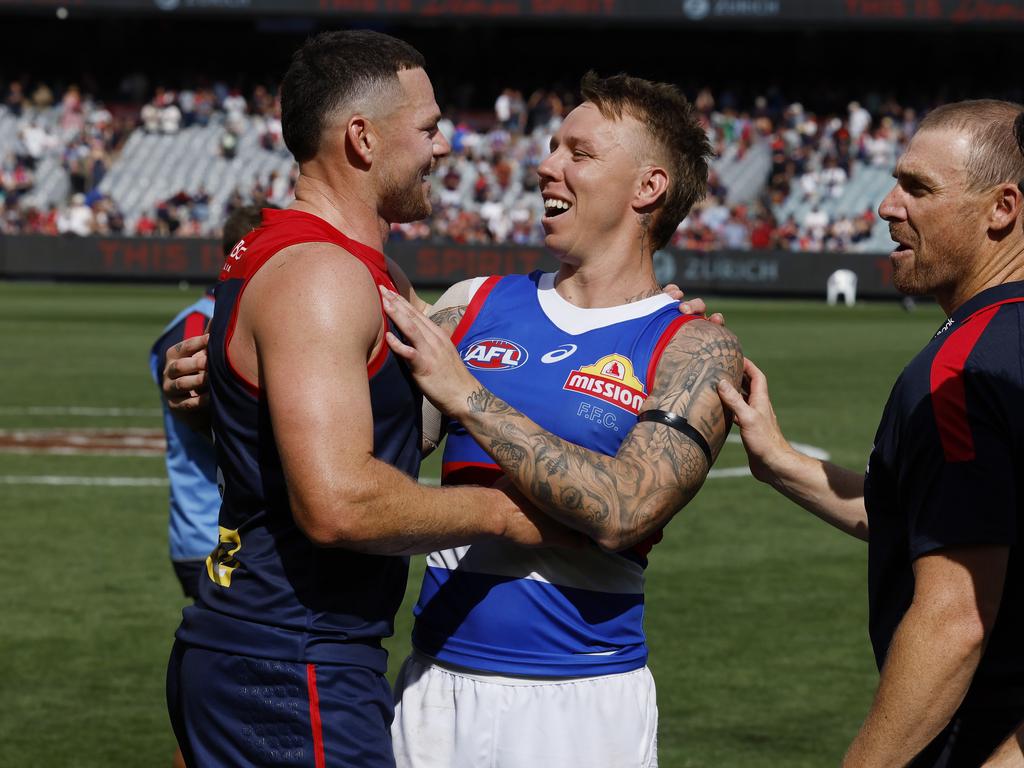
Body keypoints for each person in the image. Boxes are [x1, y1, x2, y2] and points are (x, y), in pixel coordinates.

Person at [164, 30, 572, 768]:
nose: (443, 147)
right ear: (362, 137)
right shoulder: (320, 275)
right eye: (428, 128)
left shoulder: (355, 271)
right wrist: (507, 514)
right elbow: (340, 502)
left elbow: (395, 432)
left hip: (277, 654)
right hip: (288, 665)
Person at [379, 72, 743, 768]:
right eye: (552, 146)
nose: (547, 165)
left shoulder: (695, 347)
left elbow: (625, 509)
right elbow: (370, 454)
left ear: (648, 188)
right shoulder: (471, 302)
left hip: (579, 705)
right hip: (434, 688)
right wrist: (218, 395)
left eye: (579, 152)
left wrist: (469, 397)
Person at [716, 100, 1024, 767]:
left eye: (918, 188)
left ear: (1001, 209)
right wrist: (781, 463)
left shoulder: (962, 370)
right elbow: (949, 522)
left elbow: (956, 616)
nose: (886, 206)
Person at [149, 204, 265, 768]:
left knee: (235, 706)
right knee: (224, 712)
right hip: (216, 537)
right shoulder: (206, 327)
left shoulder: (201, 320)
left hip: (209, 531)